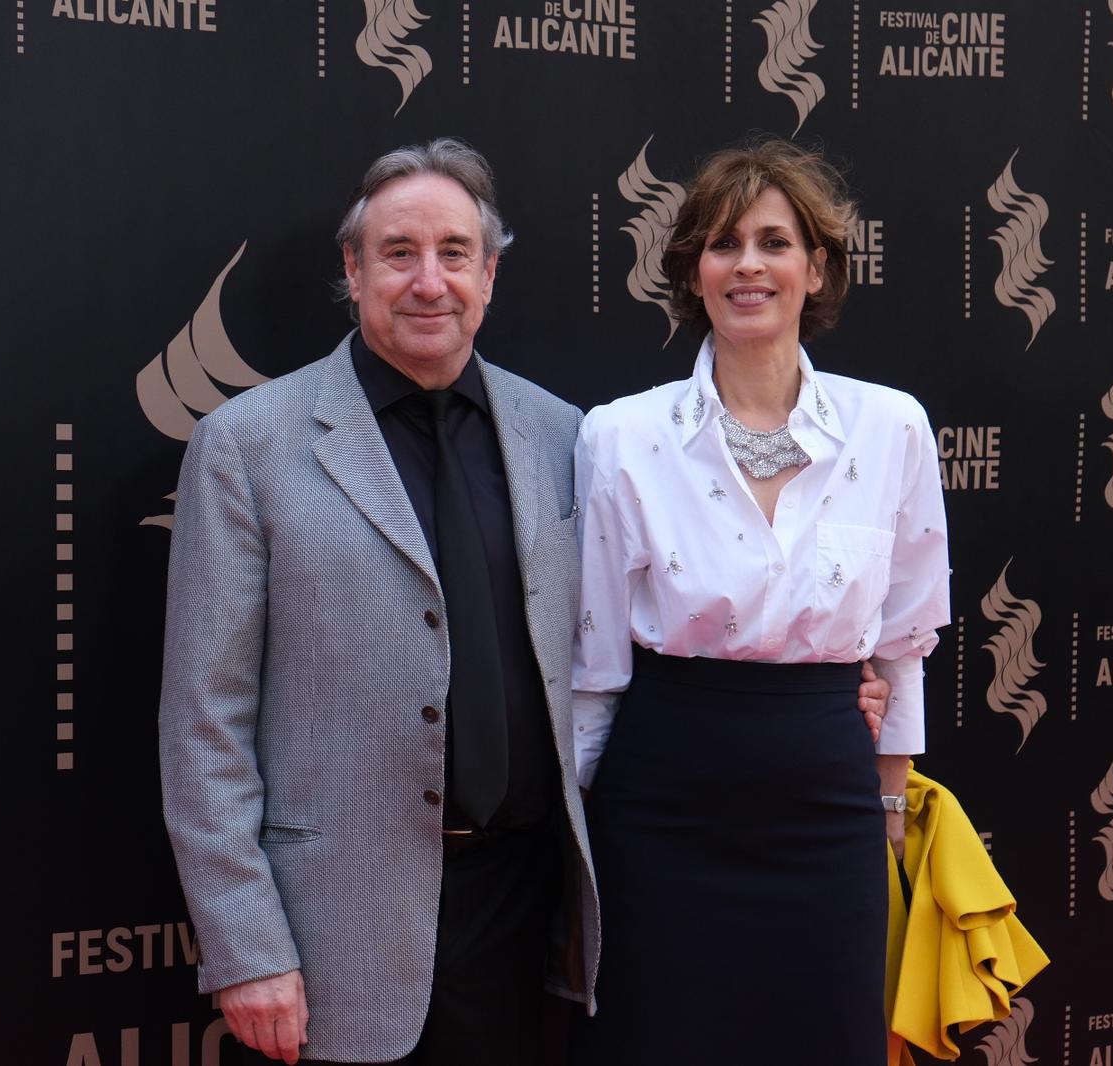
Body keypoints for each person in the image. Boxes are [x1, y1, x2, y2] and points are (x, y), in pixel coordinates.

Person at [159, 137, 892, 1066]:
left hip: (532, 920)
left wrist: (824, 688)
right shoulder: (248, 447)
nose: (430, 281)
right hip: (340, 930)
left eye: (455, 254)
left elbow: (652, 623)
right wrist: (249, 947)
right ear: (352, 269)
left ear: (490, 274)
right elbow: (203, 724)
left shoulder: (563, 435)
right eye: (399, 253)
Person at [569, 136, 950, 1064]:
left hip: (828, 808)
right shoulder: (619, 437)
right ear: (692, 272)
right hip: (662, 807)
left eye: (774, 243)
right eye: (723, 243)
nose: (749, 265)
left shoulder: (890, 426)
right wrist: (573, 851)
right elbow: (595, 672)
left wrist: (890, 814)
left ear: (815, 269)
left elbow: (902, 642)